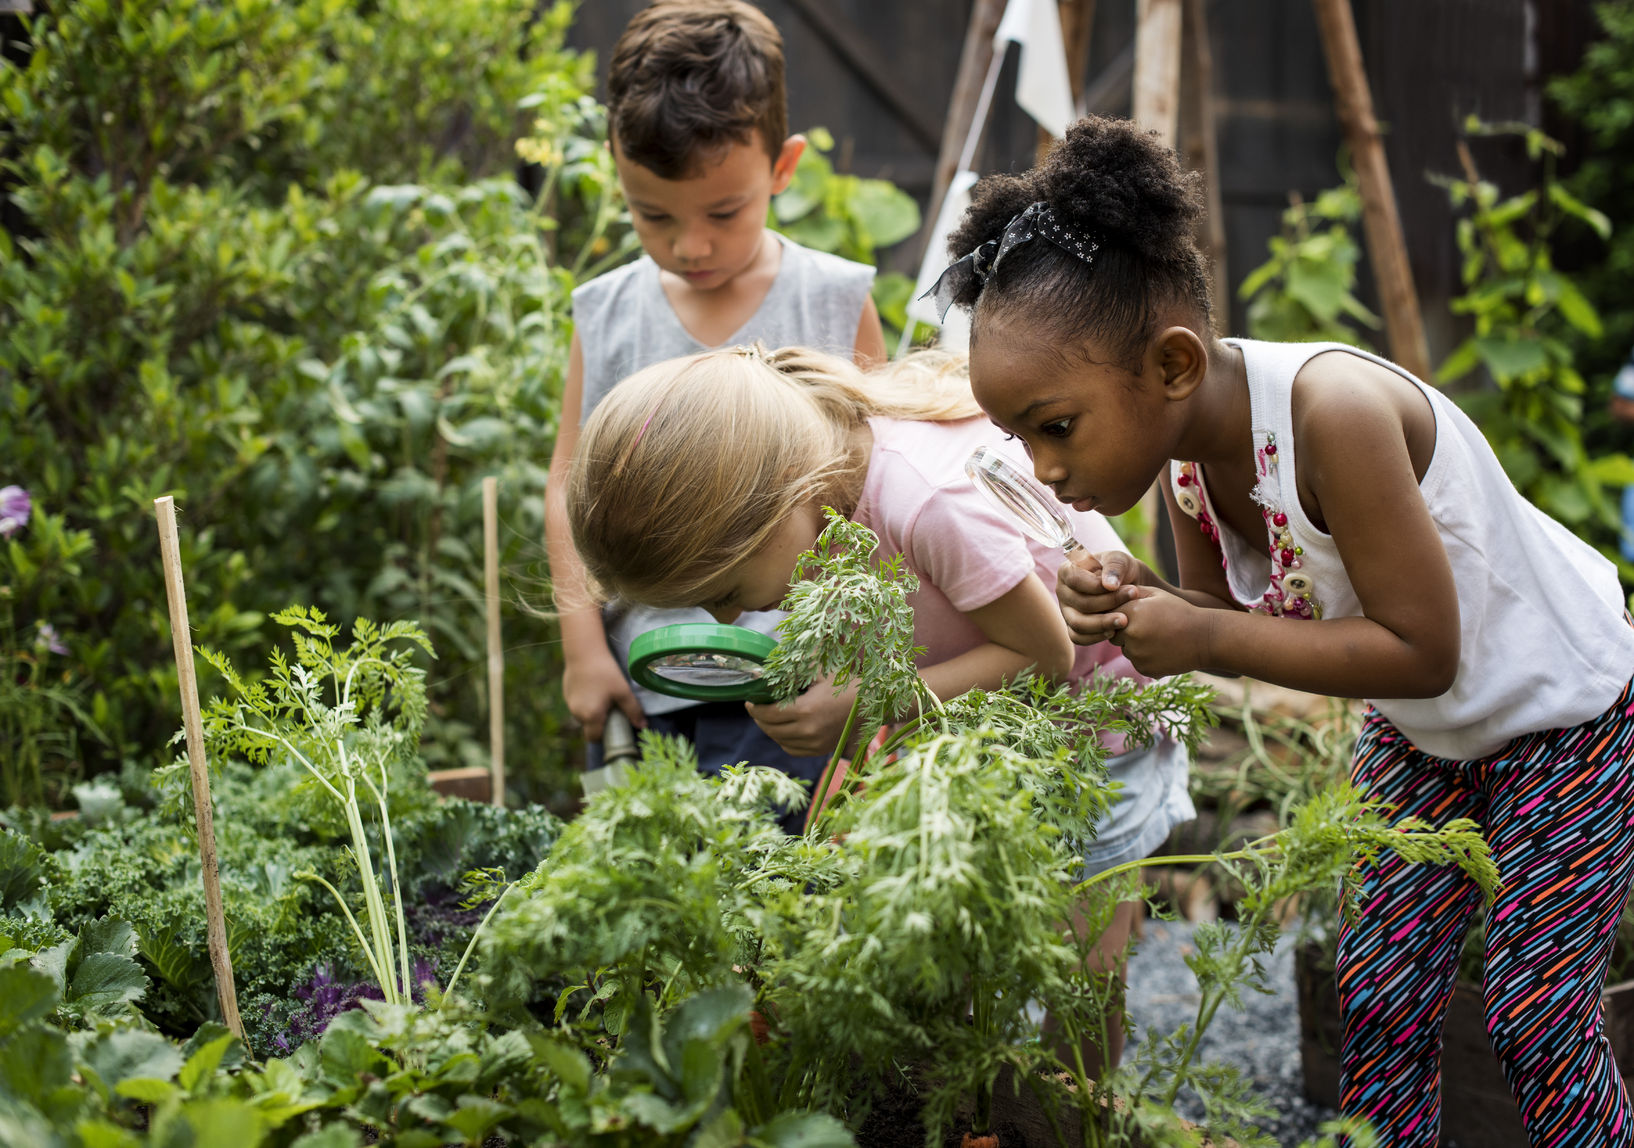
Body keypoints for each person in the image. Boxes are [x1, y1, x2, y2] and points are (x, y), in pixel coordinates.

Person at [937, 114, 1634, 1145]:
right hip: (1427, 730)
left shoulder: (1330, 414)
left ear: (1170, 366)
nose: (1040, 465)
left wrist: (1199, 638)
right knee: (1379, 995)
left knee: (1532, 1014)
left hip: (1559, 714)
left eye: (1054, 424)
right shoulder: (1183, 461)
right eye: (1016, 436)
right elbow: (1230, 616)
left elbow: (1417, 645)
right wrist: (1142, 602)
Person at [566, 342, 1195, 1071]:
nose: (730, 620)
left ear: (783, 496)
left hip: (1094, 736)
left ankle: (1084, 1117)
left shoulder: (925, 497)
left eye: (728, 590)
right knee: (952, 945)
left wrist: (865, 712)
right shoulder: (821, 493)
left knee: (1080, 966)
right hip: (983, 725)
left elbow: (1046, 655)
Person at [543, 0, 887, 805]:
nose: (689, 244)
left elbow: (880, 491)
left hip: (803, 683)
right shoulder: (608, 313)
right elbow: (567, 483)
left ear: (782, 167)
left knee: (792, 886)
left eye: (723, 213)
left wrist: (863, 669)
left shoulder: (832, 301)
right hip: (651, 682)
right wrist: (582, 648)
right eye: (651, 214)